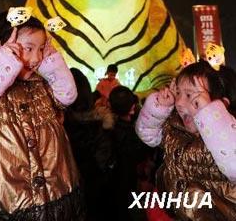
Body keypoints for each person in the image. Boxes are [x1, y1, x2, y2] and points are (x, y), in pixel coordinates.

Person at [0, 9, 84, 220]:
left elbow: (67, 96)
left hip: (52, 201)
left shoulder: (40, 86)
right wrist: (3, 61)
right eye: (28, 48)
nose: (36, 58)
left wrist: (53, 64)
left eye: (42, 50)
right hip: (0, 207)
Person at [136, 59, 236, 220]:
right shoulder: (175, 128)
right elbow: (147, 134)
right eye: (178, 94)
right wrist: (159, 106)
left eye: (190, 95)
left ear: (220, 104)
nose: (180, 103)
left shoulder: (227, 134)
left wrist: (211, 115)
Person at [64, 68, 114, 221]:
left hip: (67, 197)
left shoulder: (59, 126)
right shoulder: (100, 125)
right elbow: (105, 161)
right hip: (98, 196)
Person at [108, 86, 153, 221]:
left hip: (116, 184)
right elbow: (141, 156)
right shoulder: (137, 132)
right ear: (133, 107)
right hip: (134, 183)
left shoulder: (108, 129)